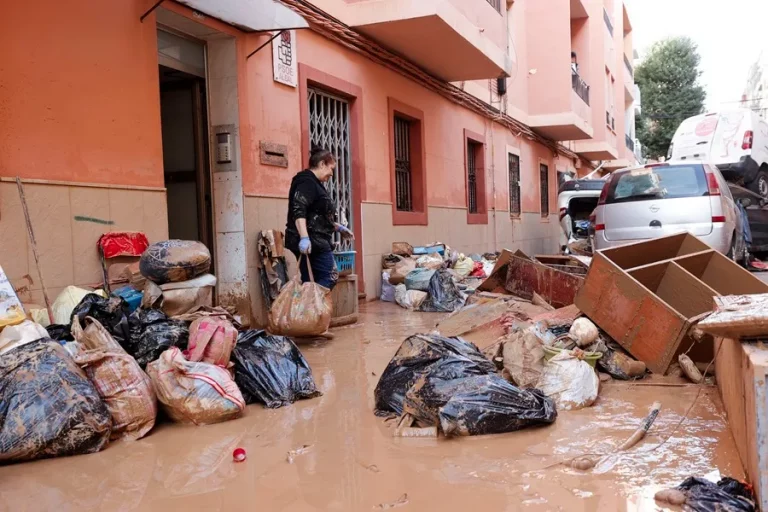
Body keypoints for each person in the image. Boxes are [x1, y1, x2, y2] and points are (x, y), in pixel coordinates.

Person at [285, 147, 354, 292]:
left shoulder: (315, 183)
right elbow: (298, 210)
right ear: (322, 164)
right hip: (312, 241)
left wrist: (337, 227)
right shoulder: (307, 182)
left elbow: (316, 215)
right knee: (330, 276)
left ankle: (310, 312)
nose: (332, 173)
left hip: (314, 239)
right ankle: (313, 309)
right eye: (331, 168)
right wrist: (304, 237)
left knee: (310, 281)